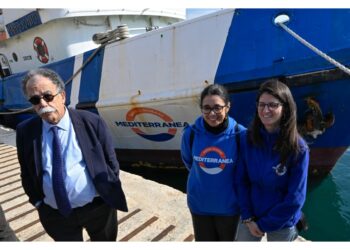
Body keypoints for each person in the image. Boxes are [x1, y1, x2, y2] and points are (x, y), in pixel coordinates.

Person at [16, 68, 128, 241]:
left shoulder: (92, 122)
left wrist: (107, 192)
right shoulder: (25, 132)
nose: (43, 104)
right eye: (35, 99)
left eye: (48, 96)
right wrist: (38, 203)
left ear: (62, 96)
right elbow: (27, 172)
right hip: (55, 215)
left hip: (98, 209)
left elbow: (111, 162)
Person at [236, 79, 309, 241]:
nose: (265, 110)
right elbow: (241, 181)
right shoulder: (247, 139)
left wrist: (263, 225)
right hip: (251, 216)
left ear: (285, 108)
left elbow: (295, 198)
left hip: (283, 221)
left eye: (273, 105)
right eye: (261, 104)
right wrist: (248, 217)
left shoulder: (298, 148)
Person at [181, 84, 246, 241]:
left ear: (227, 107)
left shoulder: (241, 135)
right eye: (206, 108)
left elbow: (245, 171)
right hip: (199, 207)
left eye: (217, 108)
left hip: (229, 209)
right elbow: (189, 162)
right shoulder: (190, 134)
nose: (212, 113)